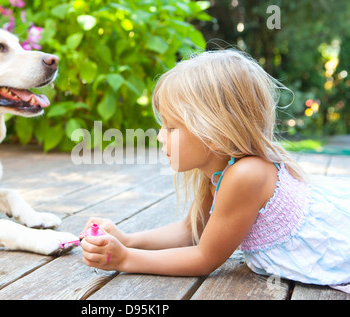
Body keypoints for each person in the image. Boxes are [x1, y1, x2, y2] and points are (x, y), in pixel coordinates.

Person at [79, 49, 350, 293]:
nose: (161, 137)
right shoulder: (219, 171)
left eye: (171, 128)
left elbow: (204, 257)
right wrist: (126, 239)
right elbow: (191, 231)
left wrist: (126, 258)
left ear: (213, 131)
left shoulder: (247, 174)